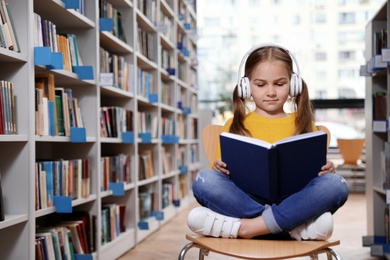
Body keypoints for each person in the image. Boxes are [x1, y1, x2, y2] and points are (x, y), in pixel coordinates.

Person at [187, 43, 349, 241]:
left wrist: (326, 170)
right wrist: (218, 168)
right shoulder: (234, 124)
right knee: (205, 180)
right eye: (261, 84)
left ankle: (248, 227)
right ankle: (292, 226)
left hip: (294, 198)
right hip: (248, 199)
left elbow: (316, 173)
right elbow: (220, 177)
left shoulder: (304, 124)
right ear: (246, 86)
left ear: (293, 85)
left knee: (336, 184)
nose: (270, 92)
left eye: (279, 84)